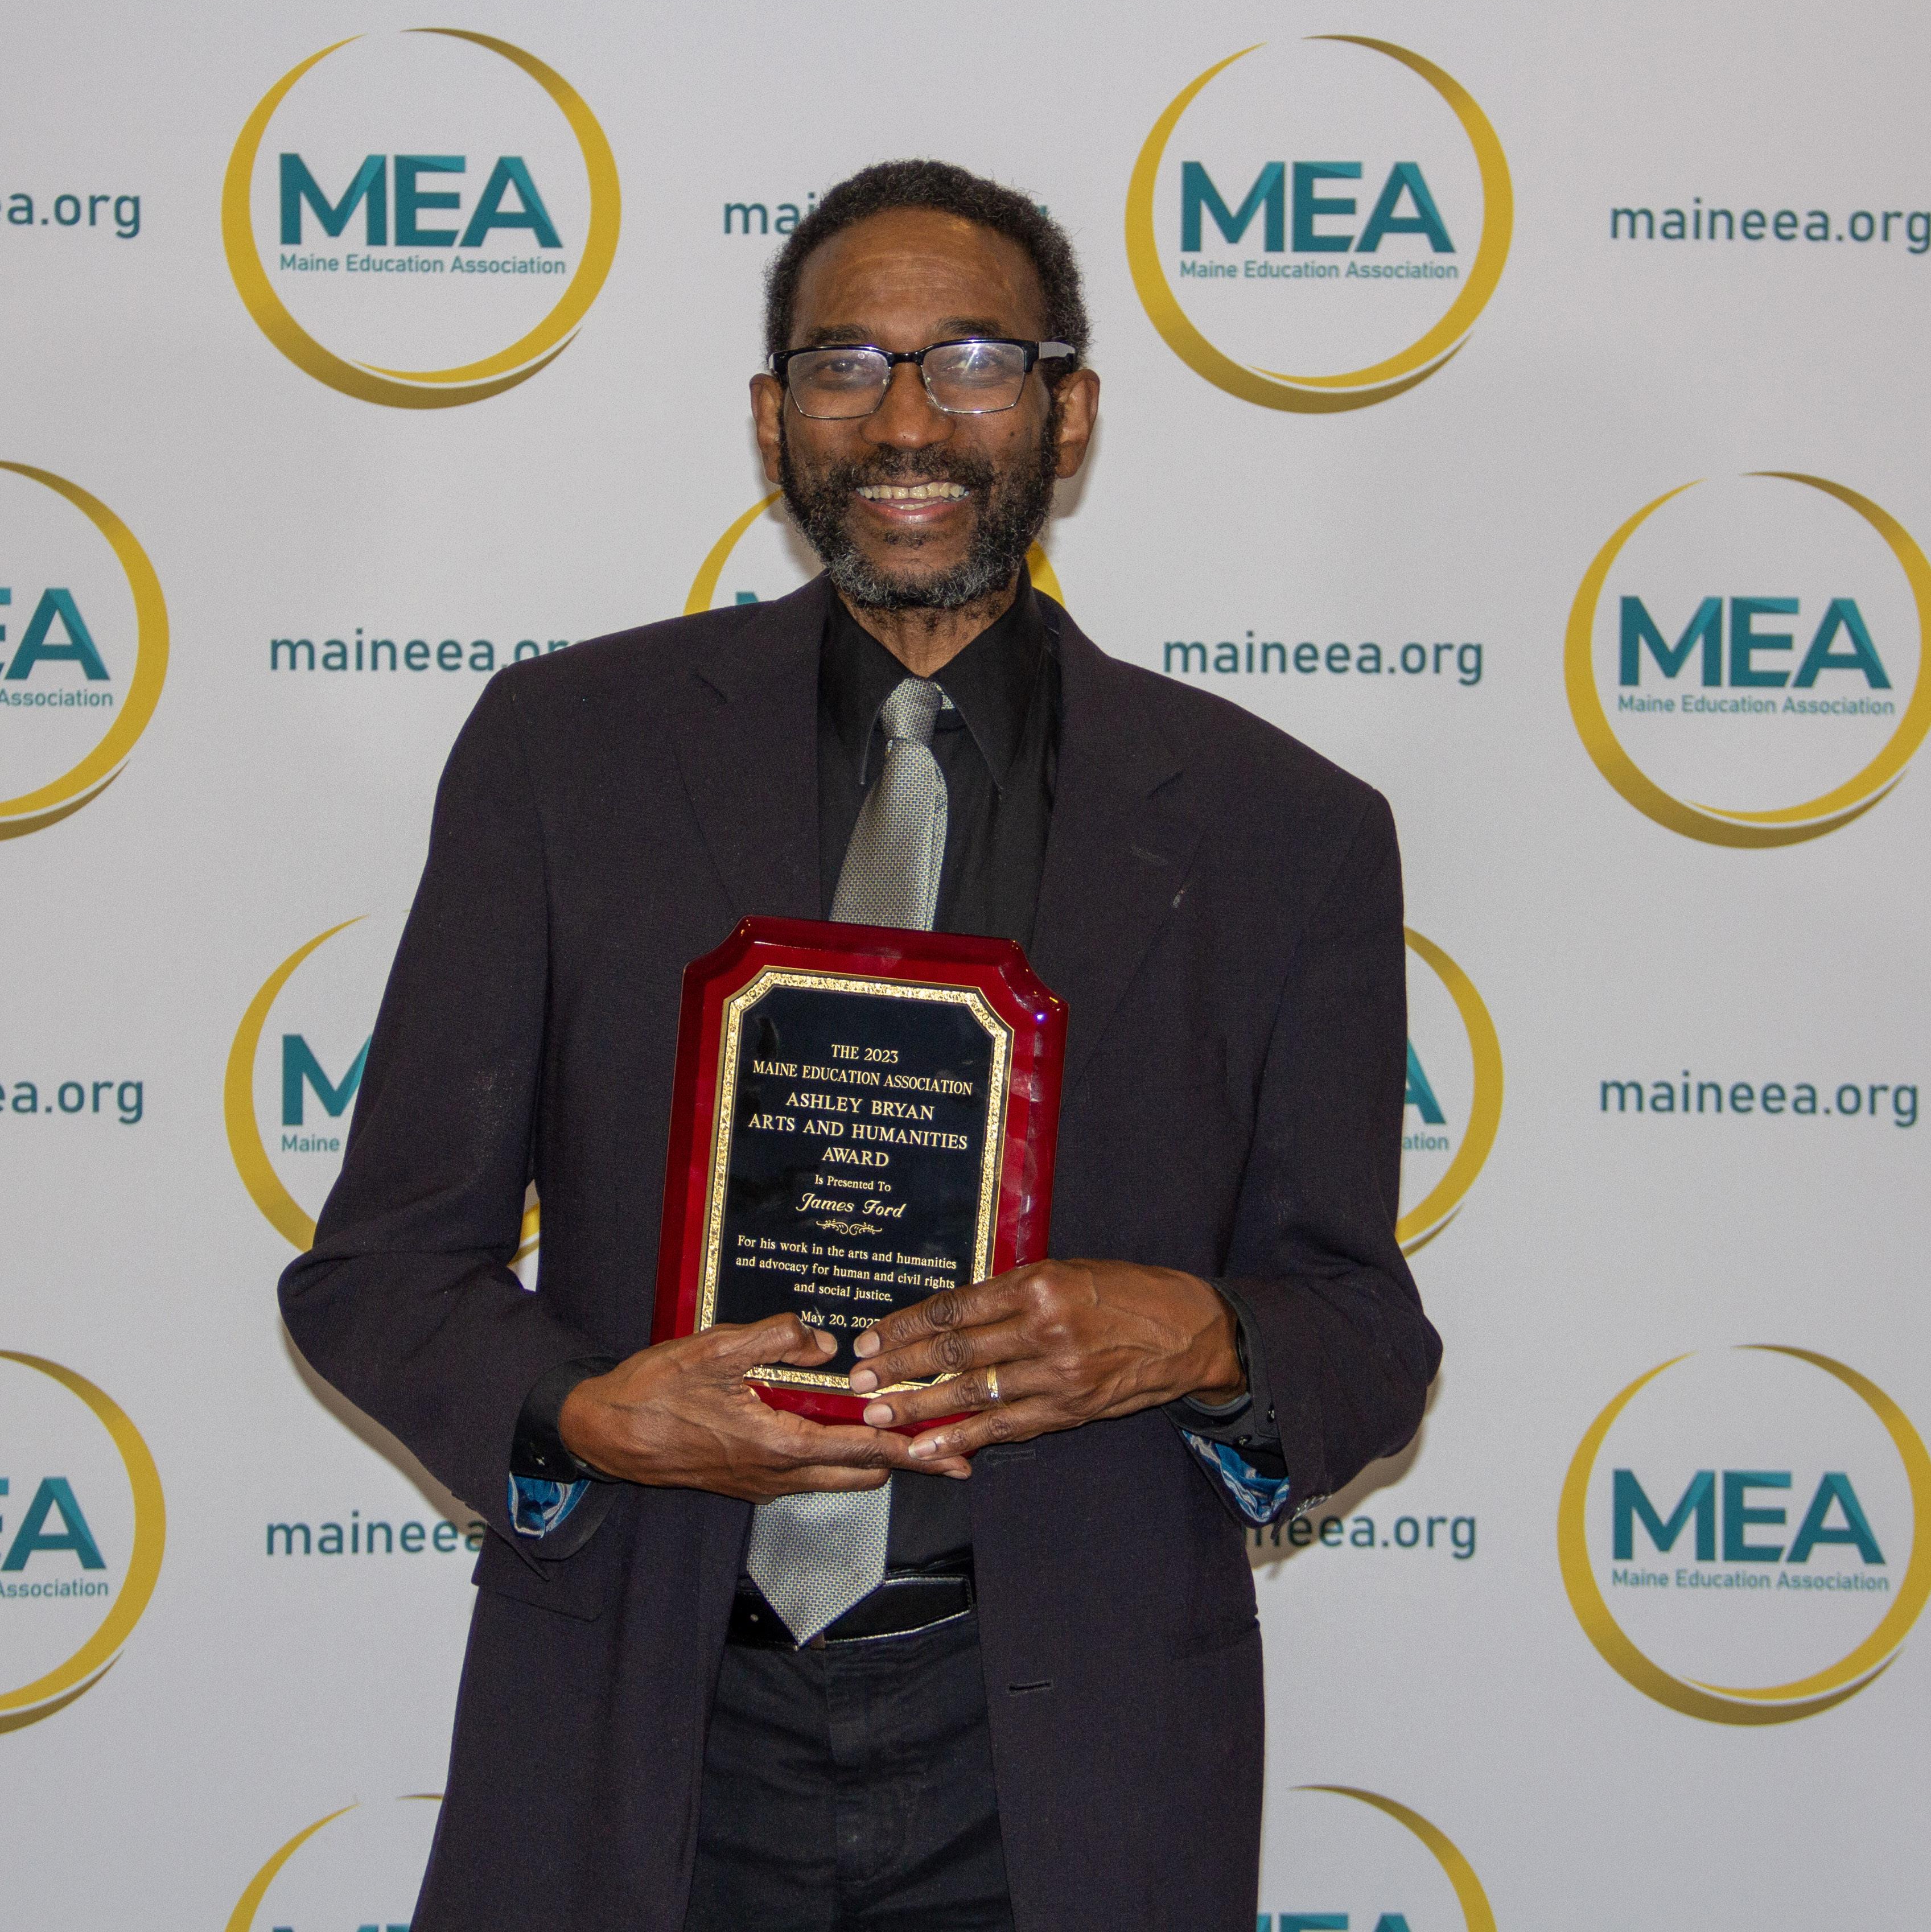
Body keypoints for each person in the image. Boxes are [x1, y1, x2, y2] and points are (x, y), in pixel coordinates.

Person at [281, 158, 1439, 1932]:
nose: (907, 421)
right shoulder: (565, 755)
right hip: (648, 1713)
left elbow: (1363, 1336)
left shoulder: (1284, 831)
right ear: (774, 419)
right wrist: (585, 1413)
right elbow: (378, 1271)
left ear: (1069, 413)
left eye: (973, 362)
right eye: (846, 366)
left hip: (1068, 1751)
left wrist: (1203, 1337)